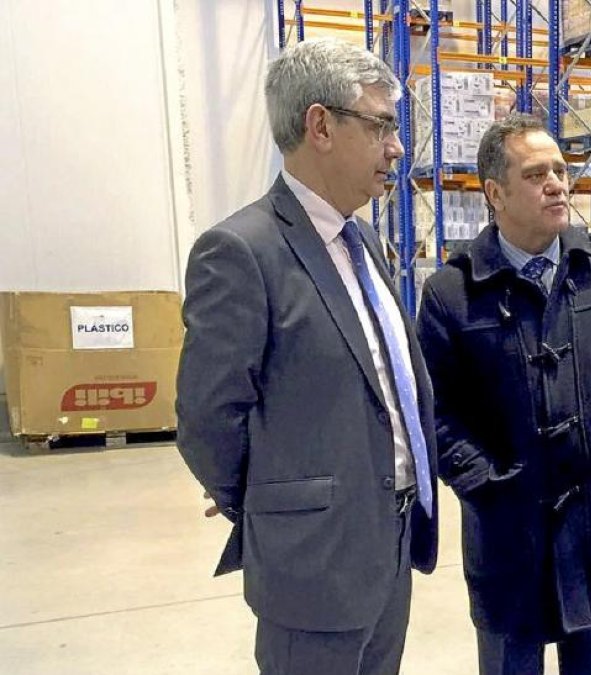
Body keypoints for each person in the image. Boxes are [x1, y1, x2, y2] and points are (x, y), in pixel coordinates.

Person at [175, 39, 437, 675]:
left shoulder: (362, 241)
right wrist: (271, 500)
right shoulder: (242, 251)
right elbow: (209, 417)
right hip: (312, 564)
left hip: (389, 544)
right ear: (320, 125)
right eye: (381, 126)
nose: (396, 148)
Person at [416, 114, 591, 675]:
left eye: (560, 169)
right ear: (494, 193)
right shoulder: (450, 295)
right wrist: (483, 482)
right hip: (507, 535)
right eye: (536, 174)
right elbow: (434, 411)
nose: (557, 183)